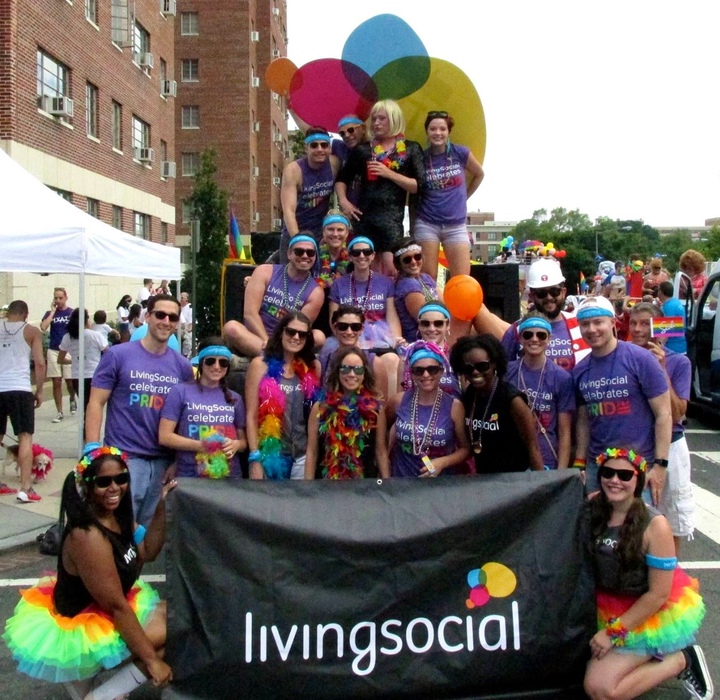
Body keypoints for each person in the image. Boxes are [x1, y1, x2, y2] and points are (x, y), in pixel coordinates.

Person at [3, 447, 176, 700]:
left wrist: (162, 505)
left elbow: (147, 550)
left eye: (121, 479)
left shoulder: (119, 518)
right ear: (87, 485)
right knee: (175, 630)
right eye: (103, 482)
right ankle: (98, 693)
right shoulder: (88, 535)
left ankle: (95, 687)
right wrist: (152, 662)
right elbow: (116, 606)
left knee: (175, 616)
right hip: (81, 631)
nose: (114, 487)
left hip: (104, 613)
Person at [583, 448, 712, 700]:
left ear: (638, 480)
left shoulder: (655, 525)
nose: (615, 480)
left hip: (644, 613)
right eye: (608, 473)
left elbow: (657, 595)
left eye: (624, 475)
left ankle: (680, 660)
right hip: (600, 605)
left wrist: (612, 633)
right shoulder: (593, 506)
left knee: (600, 689)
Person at [85, 294, 193, 527]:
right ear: (147, 316)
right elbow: (95, 402)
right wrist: (92, 450)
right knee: (115, 531)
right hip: (125, 460)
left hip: (163, 465)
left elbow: (183, 418)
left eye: (172, 317)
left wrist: (177, 461)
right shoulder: (118, 355)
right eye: (160, 315)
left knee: (147, 540)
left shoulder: (183, 366)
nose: (166, 321)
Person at [572, 296, 672, 500]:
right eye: (585, 324)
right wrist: (580, 463)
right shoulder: (580, 370)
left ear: (613, 323)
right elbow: (583, 421)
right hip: (597, 468)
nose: (592, 329)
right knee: (597, 530)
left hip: (638, 468)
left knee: (638, 530)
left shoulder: (640, 359)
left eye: (598, 322)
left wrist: (660, 466)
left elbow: (664, 413)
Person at [628, 302, 695, 553]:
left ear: (659, 327)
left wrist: (662, 368)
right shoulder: (626, 357)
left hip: (672, 446)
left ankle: (672, 582)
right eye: (633, 323)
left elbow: (678, 414)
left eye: (645, 323)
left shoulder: (679, 362)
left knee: (671, 516)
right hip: (640, 445)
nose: (637, 329)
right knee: (640, 515)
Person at [336, 99, 425, 273]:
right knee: (367, 270)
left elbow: (419, 186)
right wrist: (344, 202)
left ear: (394, 119)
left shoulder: (410, 149)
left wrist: (388, 173)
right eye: (374, 119)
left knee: (393, 270)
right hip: (365, 218)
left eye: (381, 119)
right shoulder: (363, 150)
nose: (376, 123)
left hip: (391, 220)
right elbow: (342, 178)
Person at [450, 334, 544, 474]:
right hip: (485, 480)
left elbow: (533, 447)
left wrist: (541, 487)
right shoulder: (470, 394)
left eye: (482, 366)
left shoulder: (513, 400)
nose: (476, 372)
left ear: (495, 364)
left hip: (515, 480)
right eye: (469, 368)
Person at [244, 312, 321, 480]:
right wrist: (255, 458)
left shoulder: (313, 367)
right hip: (271, 455)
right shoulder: (260, 365)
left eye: (302, 334)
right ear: (281, 332)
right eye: (291, 331)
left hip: (303, 456)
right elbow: (251, 415)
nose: (296, 337)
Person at [223, 234, 324, 358]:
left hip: (289, 339)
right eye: (299, 251)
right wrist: (268, 342)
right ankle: (278, 358)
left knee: (319, 337)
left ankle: (271, 357)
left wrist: (280, 344)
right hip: (256, 337)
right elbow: (250, 314)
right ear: (289, 254)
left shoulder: (316, 292)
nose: (305, 256)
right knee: (231, 328)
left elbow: (300, 328)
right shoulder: (264, 271)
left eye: (310, 253)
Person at [159, 339, 247, 479]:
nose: (217, 366)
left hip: (229, 477)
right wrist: (202, 446)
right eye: (210, 361)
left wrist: (236, 445)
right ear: (201, 362)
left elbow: (243, 441)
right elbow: (164, 437)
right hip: (190, 475)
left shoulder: (235, 398)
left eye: (223, 362)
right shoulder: (180, 392)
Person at [415, 110, 484, 279]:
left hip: (456, 225)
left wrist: (465, 196)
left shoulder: (460, 152)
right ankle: (434, 306)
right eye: (433, 129)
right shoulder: (421, 158)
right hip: (427, 223)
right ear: (427, 132)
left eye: (442, 129)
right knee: (428, 277)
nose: (438, 133)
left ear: (448, 132)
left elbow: (479, 174)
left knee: (462, 279)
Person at [386, 342, 470, 478]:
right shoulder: (398, 401)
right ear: (412, 374)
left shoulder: (454, 406)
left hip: (440, 485)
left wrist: (442, 462)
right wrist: (385, 474)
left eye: (432, 369)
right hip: (401, 484)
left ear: (441, 371)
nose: (426, 375)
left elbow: (466, 449)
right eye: (418, 370)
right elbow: (385, 434)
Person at [305, 345, 390, 479]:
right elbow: (312, 451)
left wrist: (387, 486)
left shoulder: (376, 410)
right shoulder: (320, 407)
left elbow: (381, 452)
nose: (351, 374)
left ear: (365, 373)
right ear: (337, 372)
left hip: (364, 486)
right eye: (345, 369)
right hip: (326, 485)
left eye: (358, 369)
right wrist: (307, 488)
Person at [506, 314, 575, 469]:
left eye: (541, 335)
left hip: (547, 459)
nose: (534, 339)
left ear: (549, 339)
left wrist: (561, 473)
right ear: (520, 338)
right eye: (528, 334)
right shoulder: (507, 372)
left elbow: (564, 432)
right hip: (513, 459)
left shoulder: (561, 377)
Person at [501, 258, 590, 372]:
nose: (549, 297)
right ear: (532, 296)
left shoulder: (580, 325)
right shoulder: (515, 331)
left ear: (563, 292)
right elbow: (504, 372)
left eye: (554, 292)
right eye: (541, 293)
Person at [0, 300, 46, 502]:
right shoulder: (31, 331)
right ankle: (26, 488)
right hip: (19, 387)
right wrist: (39, 390)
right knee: (25, 437)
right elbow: (40, 363)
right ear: (26, 314)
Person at [279, 126, 341, 263]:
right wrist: (299, 241)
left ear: (329, 148)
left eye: (324, 145)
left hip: (321, 235)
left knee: (321, 277)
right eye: (314, 145)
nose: (319, 149)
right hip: (294, 231)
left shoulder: (334, 164)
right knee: (290, 279)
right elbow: (288, 211)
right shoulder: (293, 170)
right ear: (306, 148)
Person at [318, 306, 389, 399]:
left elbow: (381, 404)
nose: (349, 332)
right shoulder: (322, 362)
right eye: (343, 326)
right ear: (335, 328)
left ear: (362, 329)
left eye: (355, 327)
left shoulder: (375, 363)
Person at [397, 303, 461, 398]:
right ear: (419, 325)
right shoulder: (406, 357)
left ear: (447, 325)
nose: (431, 329)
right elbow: (400, 398)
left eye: (438, 323)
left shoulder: (457, 356)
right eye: (425, 323)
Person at [58, 308, 108, 418]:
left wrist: (75, 360)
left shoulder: (67, 337)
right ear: (86, 320)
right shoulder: (96, 335)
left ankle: (86, 430)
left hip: (77, 376)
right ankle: (90, 431)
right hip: (94, 374)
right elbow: (108, 353)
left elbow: (60, 359)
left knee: (86, 406)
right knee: (94, 406)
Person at [393, 238, 440, 343]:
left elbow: (444, 304)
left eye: (417, 257)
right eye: (407, 259)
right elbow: (428, 320)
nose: (413, 262)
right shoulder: (408, 286)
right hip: (423, 339)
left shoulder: (425, 278)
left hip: (437, 330)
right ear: (399, 264)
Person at [40, 287, 77, 423]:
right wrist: (53, 312)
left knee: (69, 380)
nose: (58, 300)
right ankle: (59, 411)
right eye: (56, 298)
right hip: (54, 349)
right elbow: (43, 327)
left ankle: (72, 398)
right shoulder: (50, 313)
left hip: (68, 350)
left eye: (60, 298)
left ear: (66, 297)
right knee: (56, 381)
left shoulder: (71, 312)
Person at [314, 212, 352, 338]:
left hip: (343, 317)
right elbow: (282, 262)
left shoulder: (355, 256)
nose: (335, 234)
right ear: (323, 232)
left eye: (340, 230)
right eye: (330, 229)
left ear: (347, 233)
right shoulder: (311, 253)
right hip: (316, 316)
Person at [657, 281, 688, 355]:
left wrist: (658, 349)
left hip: (673, 349)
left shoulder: (668, 307)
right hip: (680, 346)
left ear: (660, 292)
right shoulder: (675, 302)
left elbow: (666, 331)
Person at [179, 292, 194, 358]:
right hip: (180, 331)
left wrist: (188, 330)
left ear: (187, 299)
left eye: (182, 298)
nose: (180, 299)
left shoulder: (190, 308)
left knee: (187, 345)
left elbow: (191, 321)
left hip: (187, 331)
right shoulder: (179, 308)